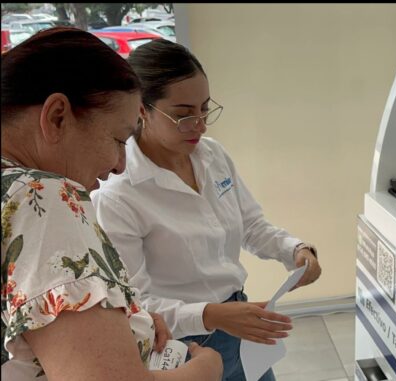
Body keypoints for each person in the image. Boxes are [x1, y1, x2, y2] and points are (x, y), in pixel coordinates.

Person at [91, 39, 322, 381]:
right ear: (141, 110)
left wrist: (295, 250)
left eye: (205, 108)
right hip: (183, 345)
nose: (200, 125)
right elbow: (136, 304)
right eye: (183, 115)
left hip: (240, 320)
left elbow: (251, 224)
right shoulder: (119, 195)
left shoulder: (211, 155)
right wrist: (211, 315)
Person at [1, 27, 223, 381]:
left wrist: (118, 329)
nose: (120, 164)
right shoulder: (40, 198)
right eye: (119, 139)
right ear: (57, 116)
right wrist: (205, 370)